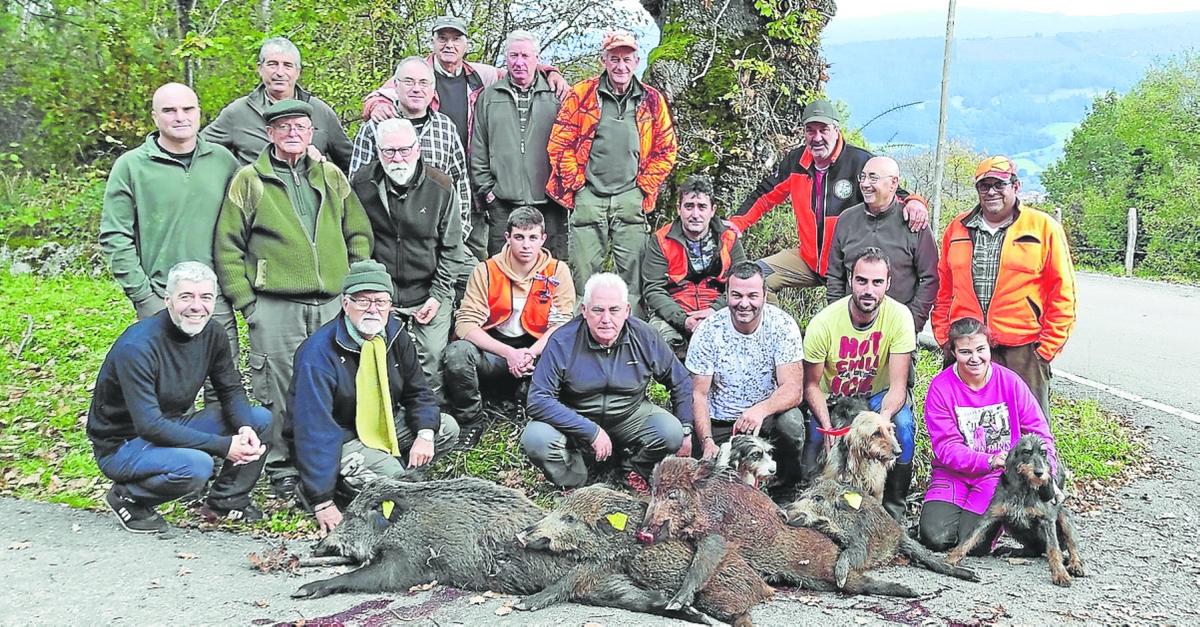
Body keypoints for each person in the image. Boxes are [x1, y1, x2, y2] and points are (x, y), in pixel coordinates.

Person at [214, 99, 373, 501]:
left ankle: (329, 464)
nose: (292, 134)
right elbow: (228, 247)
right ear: (270, 134)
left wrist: (353, 287)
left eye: (300, 127)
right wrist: (247, 303)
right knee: (280, 388)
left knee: (336, 385)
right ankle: (282, 467)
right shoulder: (249, 181)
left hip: (333, 304)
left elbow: (358, 233)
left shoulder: (331, 176)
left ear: (311, 132)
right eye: (283, 127)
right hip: (275, 305)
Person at [87, 262, 271, 533]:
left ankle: (226, 500)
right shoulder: (137, 346)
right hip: (123, 445)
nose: (197, 306)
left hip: (171, 424)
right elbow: (149, 426)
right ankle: (129, 497)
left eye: (205, 297)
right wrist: (223, 446)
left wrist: (244, 428)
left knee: (259, 420)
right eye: (186, 297)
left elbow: (230, 389)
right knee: (197, 466)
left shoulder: (213, 334)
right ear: (168, 300)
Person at [290, 260, 460, 536]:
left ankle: (374, 477)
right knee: (394, 480)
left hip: (385, 424)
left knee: (446, 428)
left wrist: (425, 435)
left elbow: (418, 391)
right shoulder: (317, 354)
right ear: (345, 304)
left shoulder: (394, 334)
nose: (373, 309)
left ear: (390, 304)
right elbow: (313, 429)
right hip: (342, 436)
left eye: (381, 301)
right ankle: (340, 483)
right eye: (363, 301)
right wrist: (320, 501)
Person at [728, 99, 928, 301]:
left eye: (823, 130)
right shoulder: (795, 162)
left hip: (848, 264)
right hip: (808, 260)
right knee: (756, 279)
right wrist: (736, 224)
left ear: (836, 130)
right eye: (810, 130)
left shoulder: (858, 162)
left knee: (850, 312)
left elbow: (890, 191)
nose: (817, 138)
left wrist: (915, 201)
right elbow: (764, 195)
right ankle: (781, 332)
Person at [100, 83, 240, 367]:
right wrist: (143, 296)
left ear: (199, 113)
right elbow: (115, 236)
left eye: (188, 109)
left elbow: (248, 220)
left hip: (217, 298)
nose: (180, 116)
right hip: (161, 296)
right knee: (170, 387)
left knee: (225, 385)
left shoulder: (223, 161)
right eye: (169, 110)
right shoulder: (131, 166)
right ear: (155, 117)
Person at [931, 156, 1077, 419]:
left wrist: (1045, 351)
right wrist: (944, 338)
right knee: (966, 427)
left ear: (1016, 186)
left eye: (999, 184)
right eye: (984, 186)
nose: (991, 192)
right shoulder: (957, 228)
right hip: (967, 347)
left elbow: (1062, 292)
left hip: (1023, 351)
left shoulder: (1043, 227)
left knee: (1030, 437)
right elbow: (943, 288)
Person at [545, 30, 678, 313]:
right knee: (583, 278)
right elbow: (559, 143)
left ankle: (632, 339)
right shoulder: (582, 94)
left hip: (631, 198)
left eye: (627, 59)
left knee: (634, 281)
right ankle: (580, 339)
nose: (621, 66)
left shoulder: (652, 100)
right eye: (614, 59)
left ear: (637, 61)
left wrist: (643, 187)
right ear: (604, 60)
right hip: (589, 196)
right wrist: (577, 184)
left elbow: (666, 149)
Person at [523, 273, 692, 494]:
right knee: (536, 438)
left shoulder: (645, 336)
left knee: (671, 431)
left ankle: (633, 469)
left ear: (627, 311)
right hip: (575, 415)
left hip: (629, 413)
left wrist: (687, 429)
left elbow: (680, 380)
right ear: (583, 311)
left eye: (614, 310)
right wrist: (590, 430)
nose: (606, 319)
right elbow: (537, 400)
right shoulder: (562, 340)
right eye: (597, 310)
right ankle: (574, 479)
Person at [918, 317, 1061, 551]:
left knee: (974, 545)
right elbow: (946, 447)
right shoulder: (941, 388)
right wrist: (987, 460)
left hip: (999, 476)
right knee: (936, 537)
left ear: (989, 347)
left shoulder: (1010, 382)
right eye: (965, 351)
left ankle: (992, 523)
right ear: (953, 352)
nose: (974, 358)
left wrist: (1049, 474)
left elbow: (1040, 432)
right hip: (954, 472)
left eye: (980, 350)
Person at [350, 117, 463, 404]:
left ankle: (431, 417)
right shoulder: (362, 185)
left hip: (428, 290)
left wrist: (438, 296)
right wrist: (373, 295)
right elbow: (354, 241)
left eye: (404, 150)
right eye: (389, 151)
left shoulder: (441, 187)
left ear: (417, 149)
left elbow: (452, 248)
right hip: (381, 292)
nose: (397, 158)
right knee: (377, 352)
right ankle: (387, 414)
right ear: (378, 152)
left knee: (432, 356)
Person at [444, 207, 576, 450]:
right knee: (457, 353)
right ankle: (470, 419)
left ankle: (528, 404)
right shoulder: (486, 270)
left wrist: (530, 353)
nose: (526, 245)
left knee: (566, 353)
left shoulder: (558, 271)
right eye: (519, 237)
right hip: (495, 350)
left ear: (542, 239)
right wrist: (509, 354)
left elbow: (562, 325)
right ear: (507, 238)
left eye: (533, 238)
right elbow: (465, 324)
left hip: (535, 351)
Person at [802, 248, 917, 521]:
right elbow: (811, 386)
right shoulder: (824, 323)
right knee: (817, 439)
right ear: (850, 279)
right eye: (862, 281)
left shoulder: (899, 316)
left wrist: (881, 424)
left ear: (888, 284)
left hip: (877, 396)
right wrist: (829, 428)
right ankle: (811, 499)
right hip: (835, 398)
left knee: (901, 428)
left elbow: (898, 386)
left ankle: (892, 509)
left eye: (877, 282)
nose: (869, 290)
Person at [361, 16, 569, 152]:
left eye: (456, 39)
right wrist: (377, 106)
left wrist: (550, 72)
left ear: (466, 45)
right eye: (442, 38)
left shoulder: (480, 74)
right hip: (423, 162)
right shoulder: (417, 72)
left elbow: (519, 72)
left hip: (465, 165)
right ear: (433, 42)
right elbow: (379, 95)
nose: (449, 45)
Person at [684, 262, 806, 485]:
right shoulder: (708, 330)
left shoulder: (782, 325)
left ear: (765, 294)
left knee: (792, 423)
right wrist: (707, 440)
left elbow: (793, 389)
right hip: (720, 421)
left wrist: (761, 410)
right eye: (737, 295)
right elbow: (698, 394)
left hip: (766, 420)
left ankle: (786, 488)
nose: (744, 304)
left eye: (752, 296)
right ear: (727, 294)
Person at [349, 57, 474, 264]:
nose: (417, 89)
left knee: (478, 281)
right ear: (395, 86)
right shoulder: (374, 128)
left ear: (433, 89)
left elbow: (459, 184)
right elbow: (354, 191)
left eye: (423, 83)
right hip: (384, 247)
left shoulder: (446, 128)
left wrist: (457, 238)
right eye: (409, 82)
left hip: (437, 242)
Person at [469, 30, 568, 260]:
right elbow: (479, 146)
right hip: (503, 203)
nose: (519, 62)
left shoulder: (557, 95)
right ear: (506, 58)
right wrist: (488, 192)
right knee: (503, 270)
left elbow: (573, 145)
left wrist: (564, 189)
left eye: (525, 56)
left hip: (550, 202)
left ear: (537, 58)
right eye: (514, 56)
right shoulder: (489, 97)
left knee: (550, 270)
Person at [201, 37, 353, 171]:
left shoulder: (320, 111)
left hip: (309, 200)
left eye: (287, 65)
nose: (280, 72)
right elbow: (198, 147)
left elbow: (351, 164)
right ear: (260, 68)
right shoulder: (238, 112)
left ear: (298, 72)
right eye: (273, 64)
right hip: (257, 201)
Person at [826, 156, 938, 333]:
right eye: (862, 177)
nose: (865, 184)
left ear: (893, 183)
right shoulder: (846, 220)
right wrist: (837, 316)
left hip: (898, 330)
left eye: (873, 178)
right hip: (851, 327)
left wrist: (912, 322)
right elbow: (834, 274)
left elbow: (931, 278)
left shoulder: (914, 223)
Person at [641, 175, 746, 358]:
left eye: (702, 207)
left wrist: (714, 312)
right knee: (656, 338)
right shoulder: (661, 240)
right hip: (676, 311)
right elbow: (653, 289)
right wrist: (684, 320)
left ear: (712, 210)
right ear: (679, 209)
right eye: (689, 206)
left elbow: (742, 283)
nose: (695, 214)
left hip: (719, 310)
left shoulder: (728, 237)